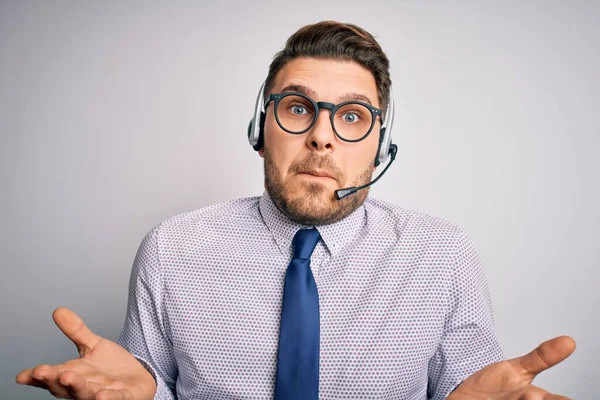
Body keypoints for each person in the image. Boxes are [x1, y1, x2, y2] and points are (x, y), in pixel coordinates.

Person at [16, 21, 575, 400]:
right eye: (298, 108)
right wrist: (146, 393)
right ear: (262, 132)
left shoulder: (442, 253)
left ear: (380, 146)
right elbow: (142, 384)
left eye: (353, 117)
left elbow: (469, 387)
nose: (322, 139)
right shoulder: (172, 248)